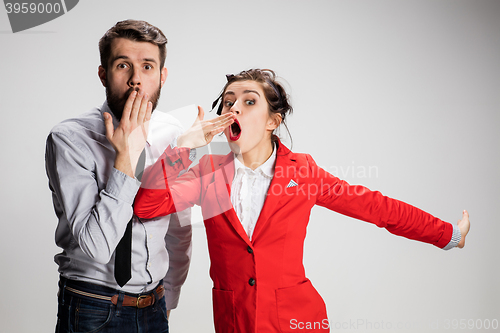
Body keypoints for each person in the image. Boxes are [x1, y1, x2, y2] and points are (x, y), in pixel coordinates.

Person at [133, 69, 471, 333]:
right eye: (228, 101)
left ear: (272, 122)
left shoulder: (304, 172)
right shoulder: (206, 171)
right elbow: (147, 206)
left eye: (249, 101)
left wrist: (448, 234)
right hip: (235, 322)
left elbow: (376, 207)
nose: (233, 107)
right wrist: (186, 147)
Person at [44, 20, 219, 333]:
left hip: (154, 306)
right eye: (123, 65)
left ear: (162, 75)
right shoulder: (69, 139)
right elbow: (96, 247)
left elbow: (178, 231)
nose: (137, 80)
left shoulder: (176, 135)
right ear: (103, 74)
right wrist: (127, 159)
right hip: (91, 306)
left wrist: (170, 300)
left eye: (148, 66)